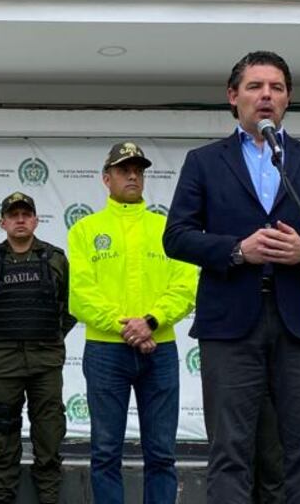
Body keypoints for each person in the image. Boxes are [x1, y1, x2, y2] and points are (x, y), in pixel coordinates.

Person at [163, 50, 300, 504]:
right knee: (230, 448)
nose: (266, 96)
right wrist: (237, 250)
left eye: (276, 87)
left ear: (288, 98)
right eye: (255, 87)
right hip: (231, 324)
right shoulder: (204, 162)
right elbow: (176, 237)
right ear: (233, 97)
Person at [66, 141, 198, 504]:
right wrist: (129, 328)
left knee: (162, 453)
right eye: (124, 170)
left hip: (161, 350)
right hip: (107, 352)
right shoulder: (85, 230)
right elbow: (81, 294)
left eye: (138, 170)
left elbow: (185, 286)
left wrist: (151, 322)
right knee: (106, 452)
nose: (133, 176)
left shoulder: (168, 228)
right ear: (106, 178)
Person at [0, 192, 75, 504]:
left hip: (45, 364)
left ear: (36, 220)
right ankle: (1, 499)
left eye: (26, 214)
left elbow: (69, 308)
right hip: (3, 366)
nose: (20, 220)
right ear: (2, 222)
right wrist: (4, 339)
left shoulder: (55, 259)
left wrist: (47, 337)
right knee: (2, 440)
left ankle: (49, 498)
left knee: (49, 437)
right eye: (13, 215)